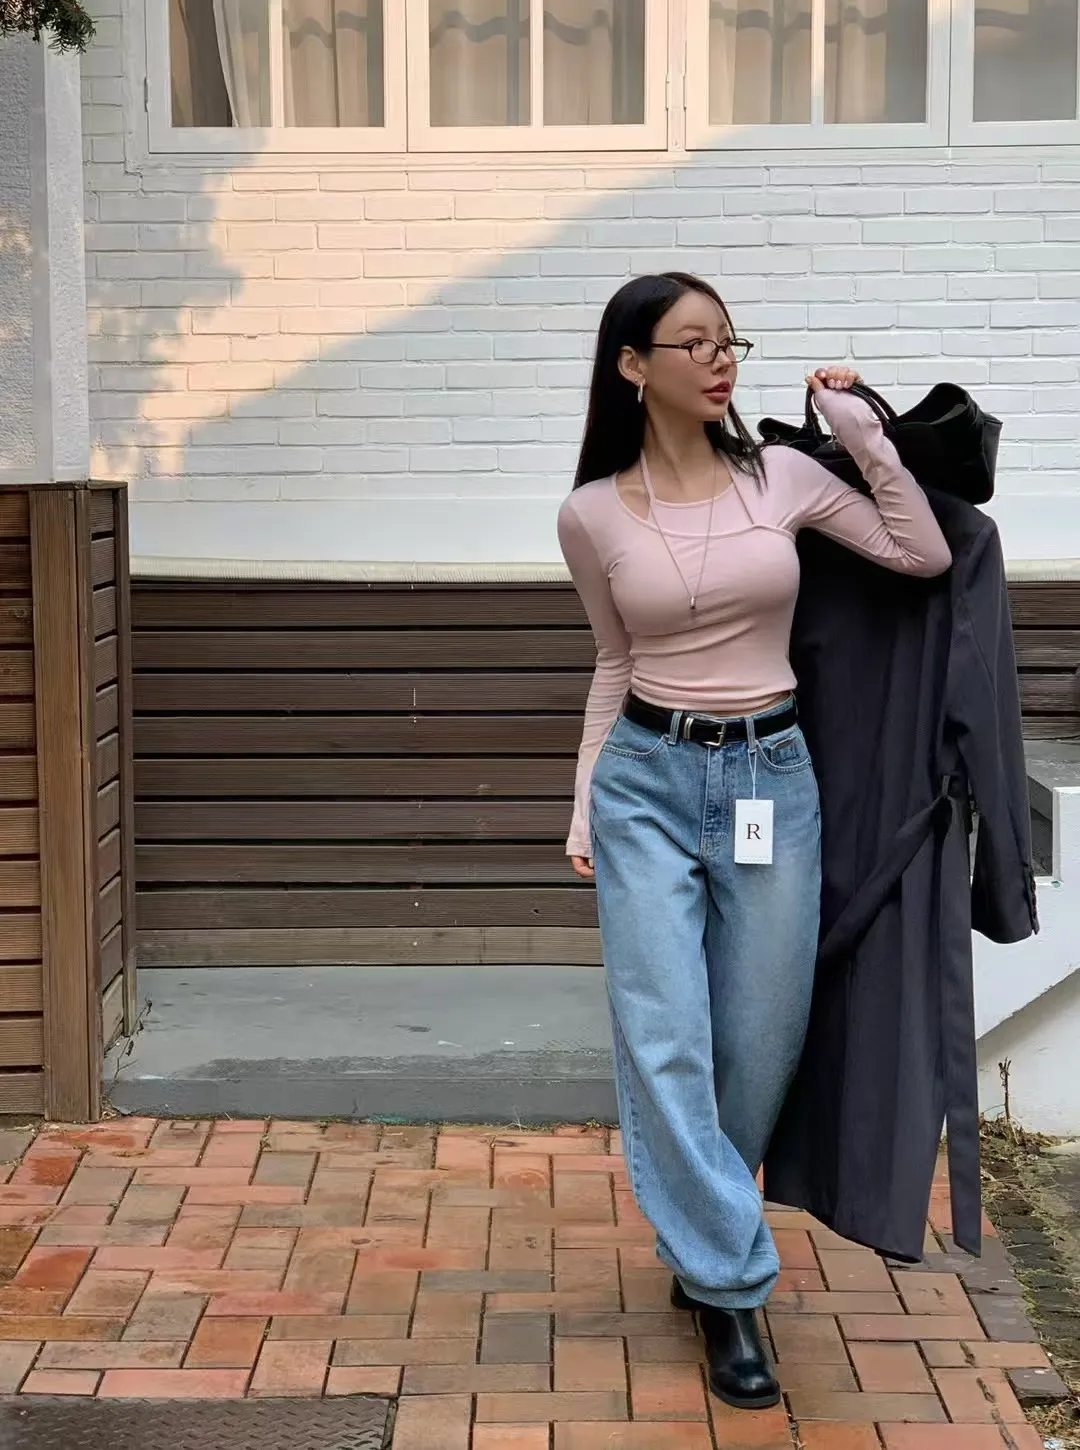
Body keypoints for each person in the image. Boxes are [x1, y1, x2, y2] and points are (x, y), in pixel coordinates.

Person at [557, 271, 952, 1410]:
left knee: (760, 1038)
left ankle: (701, 1237)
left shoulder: (780, 476)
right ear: (634, 365)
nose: (721, 359)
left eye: (730, 340)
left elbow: (919, 553)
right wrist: (584, 802)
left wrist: (859, 430)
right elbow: (614, 662)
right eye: (693, 343)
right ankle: (731, 1287)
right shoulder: (592, 514)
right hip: (645, 779)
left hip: (770, 776)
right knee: (664, 1035)